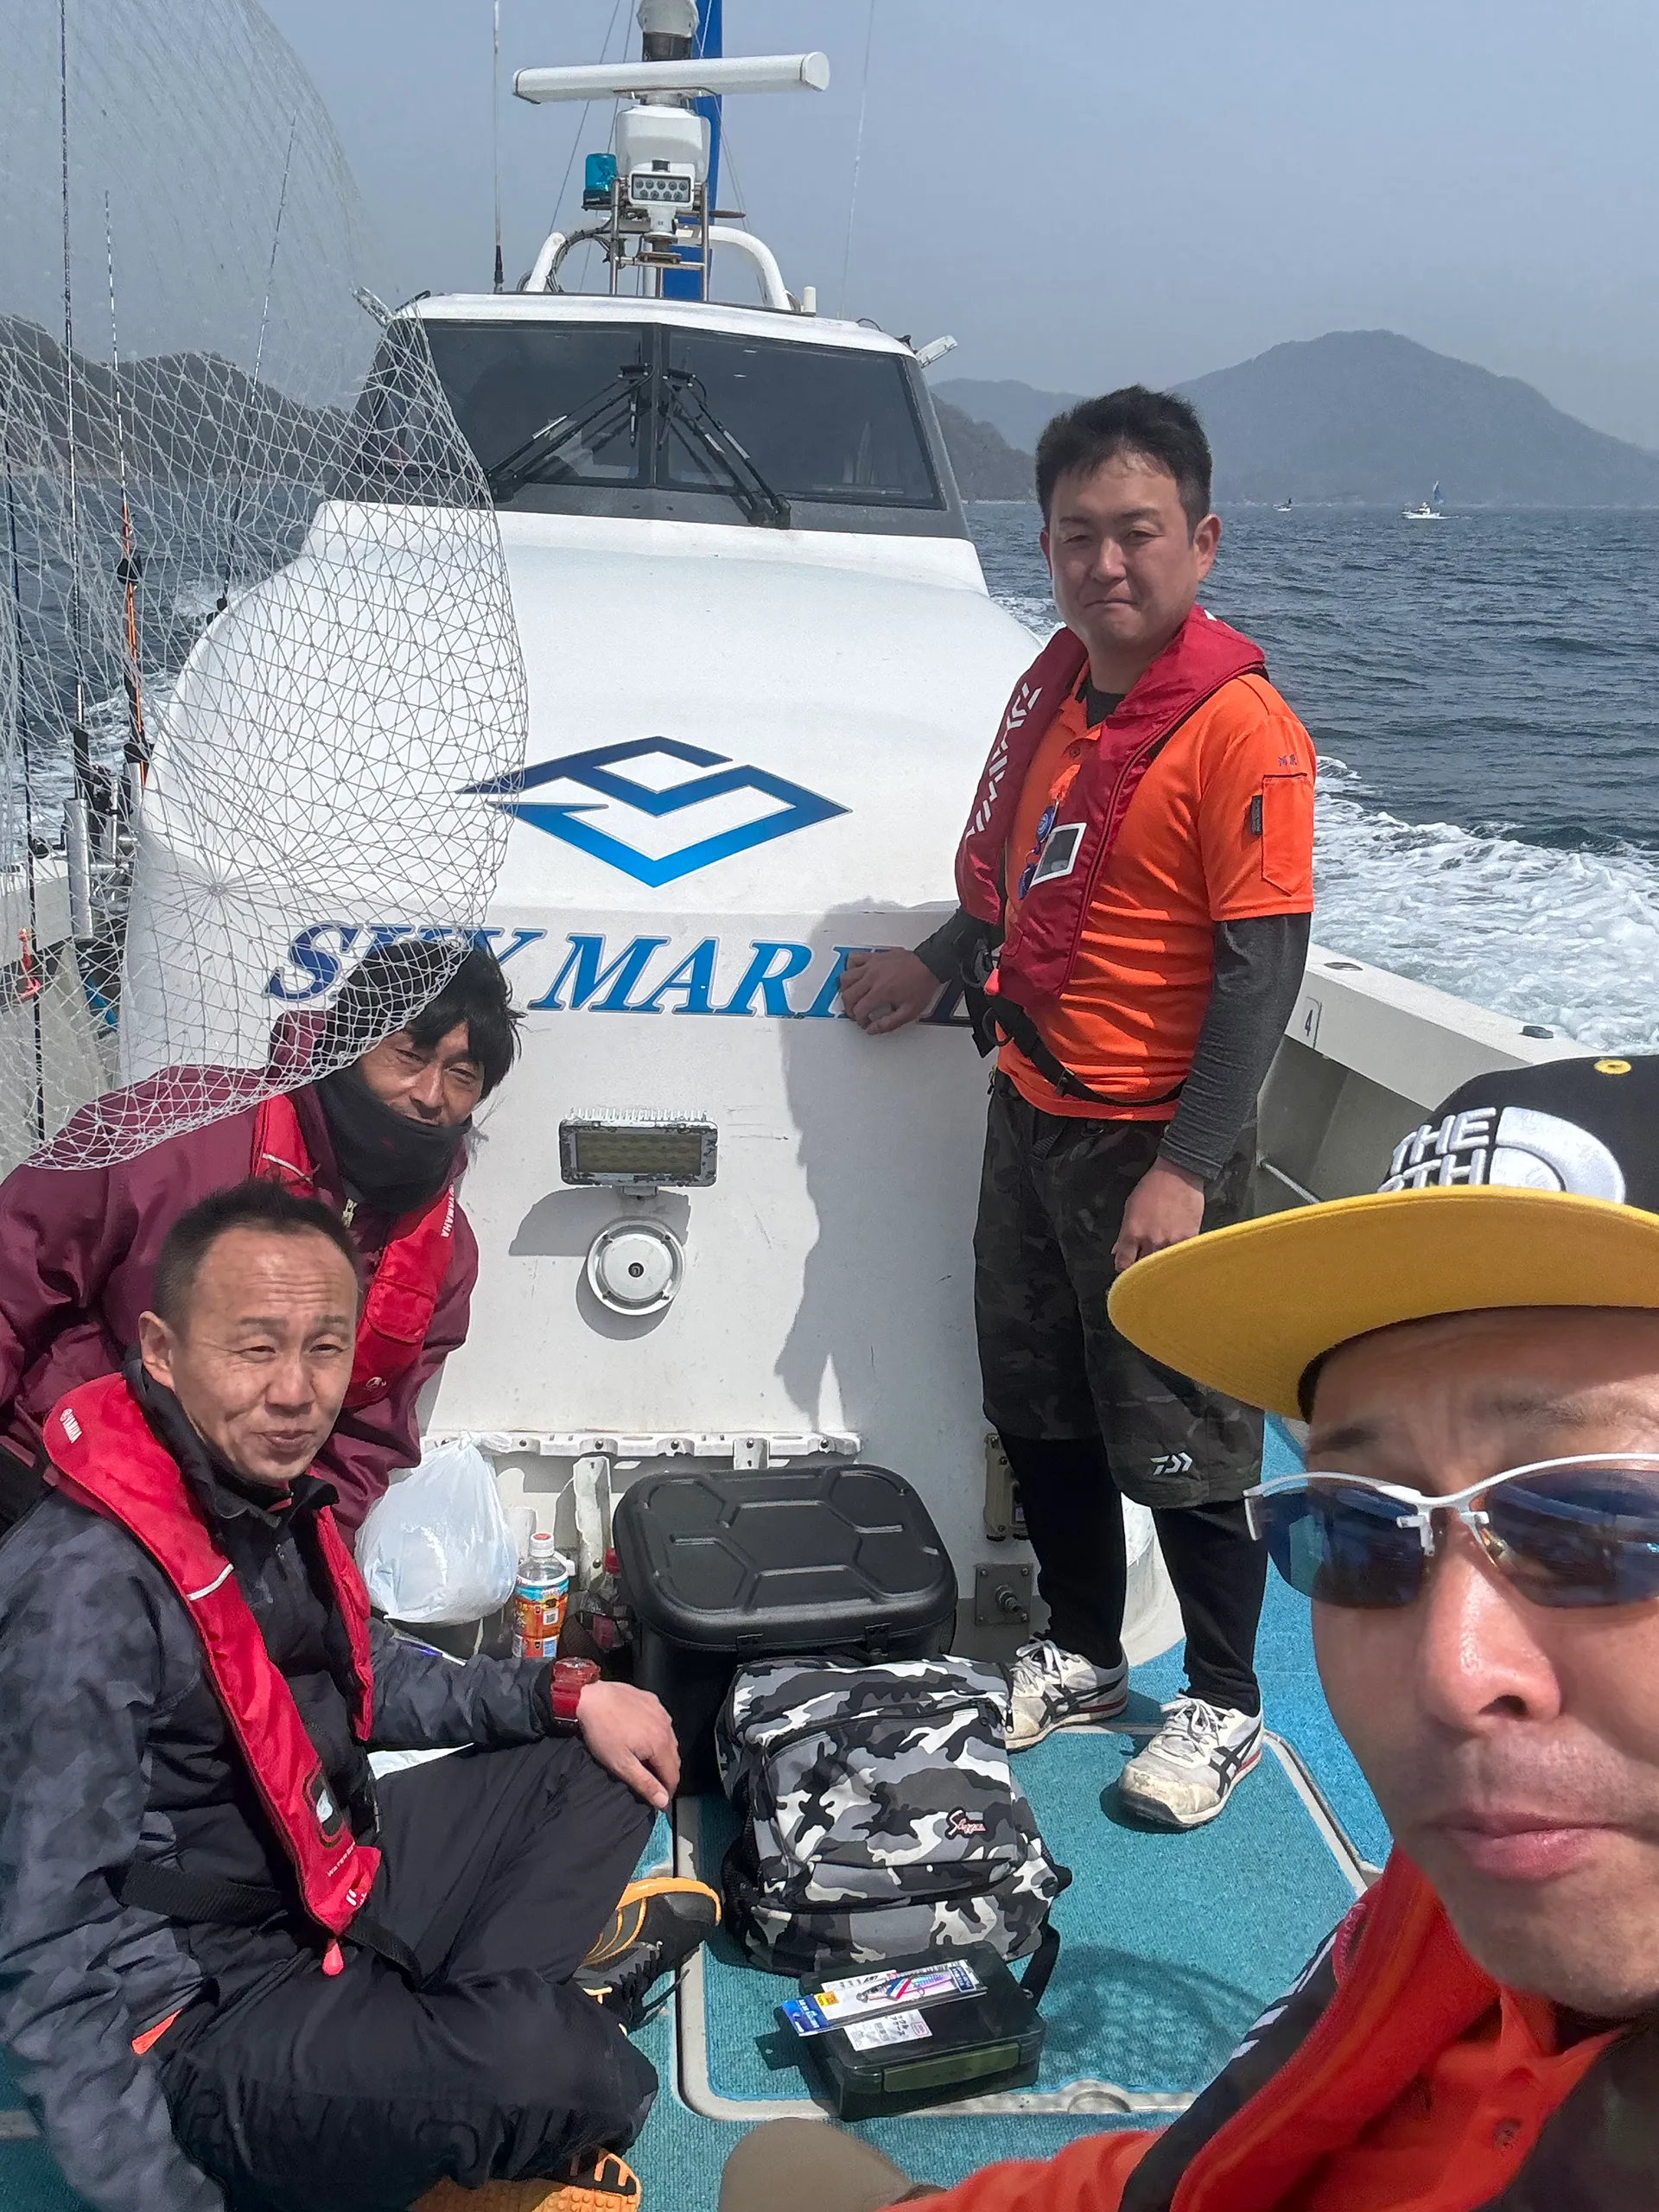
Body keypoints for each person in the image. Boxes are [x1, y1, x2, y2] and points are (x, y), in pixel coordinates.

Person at [717, 1051, 1659, 2209]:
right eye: (1354, 1532)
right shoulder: (1467, 1882)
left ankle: (1222, 1699)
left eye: (1599, 1525)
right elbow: (1217, 2165)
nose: (1450, 1672)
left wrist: (1189, 1153)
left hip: (1146, 1117)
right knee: (776, 2166)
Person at [0, 1177, 720, 2212]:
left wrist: (561, 1695)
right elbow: (46, 1944)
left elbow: (364, 1679)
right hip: (208, 2014)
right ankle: (501, 2050)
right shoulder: (83, 1591)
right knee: (560, 2070)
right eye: (255, 1348)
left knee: (606, 1756)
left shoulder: (257, 1492)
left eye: (325, 1349)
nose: (296, 1391)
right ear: (161, 1350)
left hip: (329, 1877)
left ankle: (449, 2051)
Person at [840, 387, 1317, 1825]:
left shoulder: (1241, 732)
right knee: (1037, 1400)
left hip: (1156, 1139)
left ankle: (1224, 1701)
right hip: (1032, 1109)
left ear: (1202, 542)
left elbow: (1261, 977)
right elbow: (1028, 884)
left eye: (1139, 533)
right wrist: (932, 966)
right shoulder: (1060, 701)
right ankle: (1087, 1652)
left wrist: (1187, 1169)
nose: (1107, 564)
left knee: (1184, 1427)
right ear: (1045, 546)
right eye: (1077, 536)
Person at [0, 938, 520, 1540]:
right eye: (409, 1055)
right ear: (351, 1039)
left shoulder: (446, 1252)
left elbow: (364, 1440)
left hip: (224, 1537)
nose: (429, 1095)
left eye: (461, 1075)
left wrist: (303, 1552)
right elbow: (15, 1278)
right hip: (52, 1484)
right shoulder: (177, 1123)